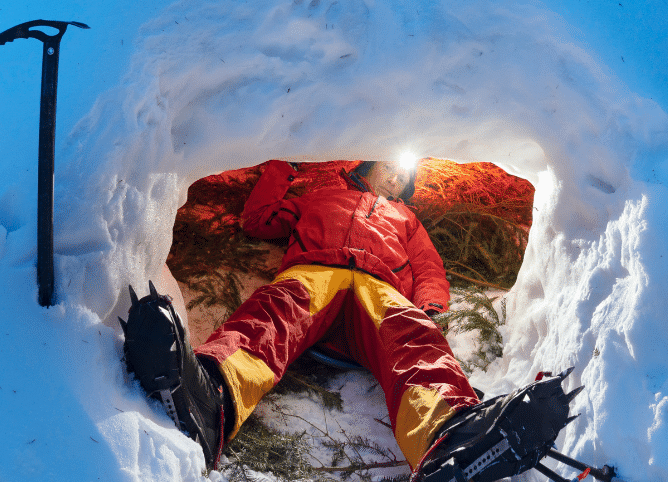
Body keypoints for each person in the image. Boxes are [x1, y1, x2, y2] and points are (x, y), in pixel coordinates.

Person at [123, 159, 576, 482]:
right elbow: (259, 218)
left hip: (379, 287)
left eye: (403, 178)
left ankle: (446, 437)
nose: (396, 177)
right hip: (317, 270)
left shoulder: (405, 218)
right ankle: (213, 393)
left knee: (411, 338)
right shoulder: (323, 196)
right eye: (390, 168)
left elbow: (428, 266)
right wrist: (280, 166)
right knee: (276, 312)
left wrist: (429, 304)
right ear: (365, 168)